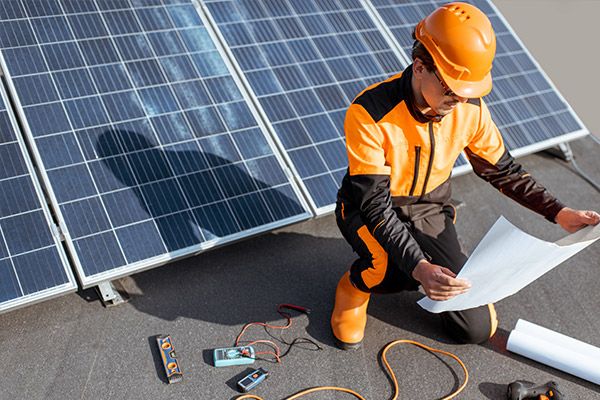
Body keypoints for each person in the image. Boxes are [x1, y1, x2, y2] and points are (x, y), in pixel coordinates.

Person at [330, 2, 600, 350]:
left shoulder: (469, 109)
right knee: (389, 268)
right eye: (451, 89)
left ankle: (411, 266)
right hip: (367, 209)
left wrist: (558, 212)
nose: (459, 99)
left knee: (475, 328)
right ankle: (355, 285)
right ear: (420, 67)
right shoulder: (369, 113)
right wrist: (419, 267)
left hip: (429, 207)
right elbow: (375, 206)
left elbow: (503, 169)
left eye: (467, 91)